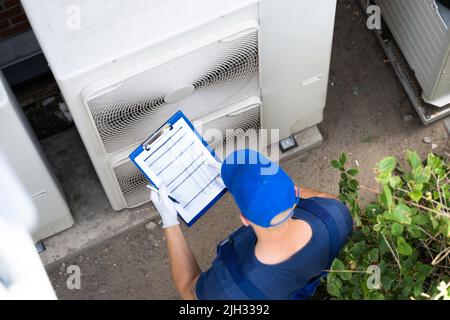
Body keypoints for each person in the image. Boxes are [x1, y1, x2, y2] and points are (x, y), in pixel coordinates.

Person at [151, 149, 353, 300]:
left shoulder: (228, 288)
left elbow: (188, 289)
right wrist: (259, 191)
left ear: (244, 219)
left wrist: (169, 220)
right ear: (294, 195)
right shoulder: (335, 214)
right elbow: (319, 197)